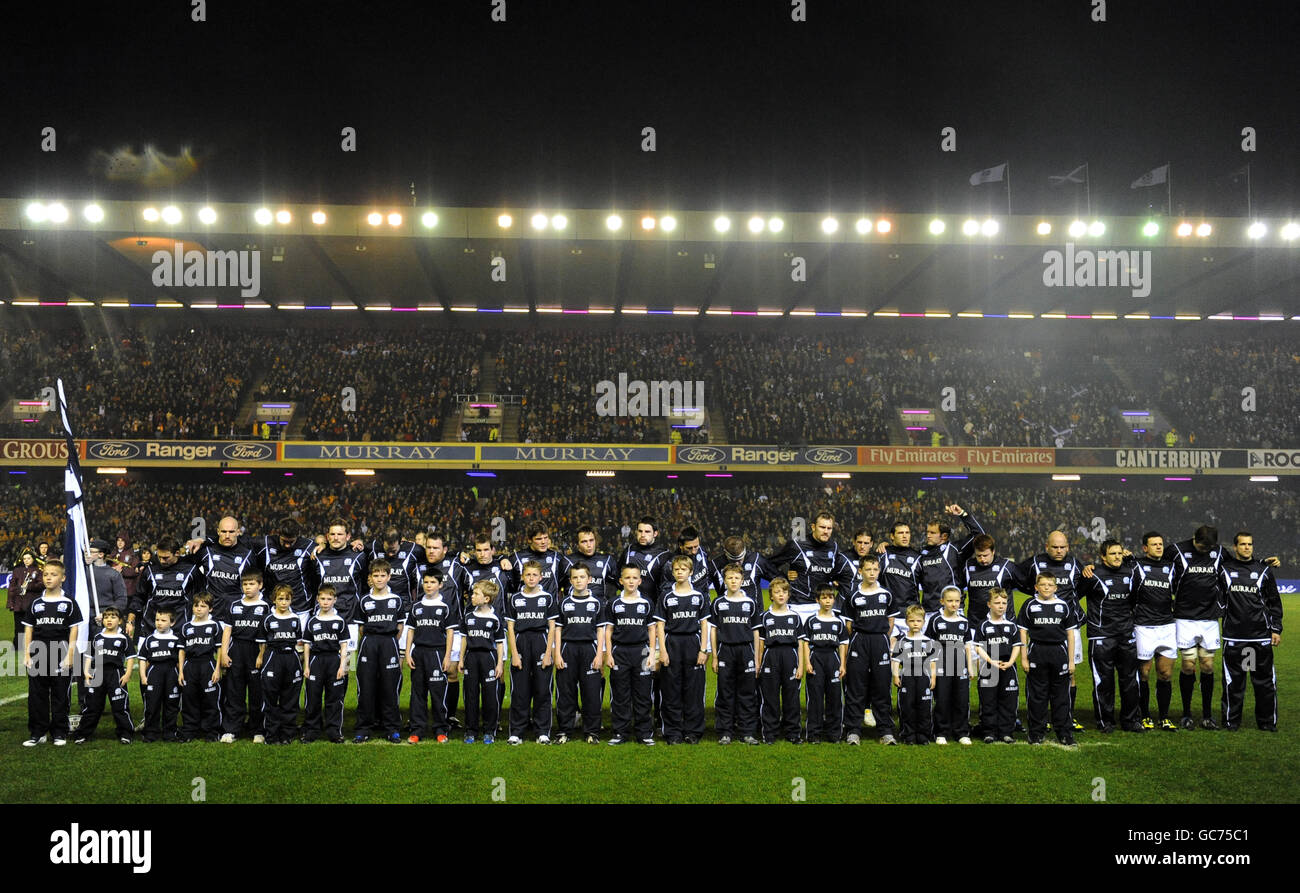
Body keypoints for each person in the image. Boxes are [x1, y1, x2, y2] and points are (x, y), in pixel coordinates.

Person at [1017, 531, 1085, 730]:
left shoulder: (1074, 564)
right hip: (1042, 628)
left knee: (1069, 674)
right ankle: (1042, 718)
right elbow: (1019, 577)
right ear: (1047, 547)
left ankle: (1067, 717)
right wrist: (1032, 592)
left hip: (1068, 627)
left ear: (1068, 547)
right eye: (1055, 547)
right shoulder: (1035, 562)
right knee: (1043, 676)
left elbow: (1084, 586)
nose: (1059, 550)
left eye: (1063, 547)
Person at [1078, 539, 1143, 733]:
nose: (1117, 557)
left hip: (1125, 634)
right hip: (1101, 636)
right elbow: (1075, 597)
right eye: (1112, 554)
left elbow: (1135, 599)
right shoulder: (1092, 575)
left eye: (1119, 553)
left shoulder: (1130, 573)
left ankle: (1130, 721)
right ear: (1102, 557)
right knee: (1104, 681)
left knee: (1130, 679)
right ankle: (1105, 721)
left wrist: (1132, 559)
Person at [1219, 532, 1282, 732]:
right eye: (1243, 544)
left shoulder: (1264, 570)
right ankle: (1231, 722)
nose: (1247, 547)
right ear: (1235, 547)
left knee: (1263, 683)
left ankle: (1266, 722)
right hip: (1234, 638)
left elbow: (1274, 602)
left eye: (1250, 544)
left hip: (1259, 638)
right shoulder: (1224, 570)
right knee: (1234, 683)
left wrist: (1276, 629)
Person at [22, 560, 83, 746]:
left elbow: (74, 630)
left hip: (61, 652)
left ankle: (59, 732)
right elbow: (29, 630)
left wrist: (70, 654)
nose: (48, 577)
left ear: (63, 578)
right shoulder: (36, 603)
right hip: (38, 653)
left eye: (53, 574)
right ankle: (38, 733)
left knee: (60, 695)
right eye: (46, 574)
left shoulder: (69, 603)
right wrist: (26, 654)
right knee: (37, 695)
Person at [1170, 525, 1226, 730]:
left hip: (1209, 619)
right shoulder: (1176, 550)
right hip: (1184, 618)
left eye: (1208, 548)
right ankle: (1186, 714)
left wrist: (1262, 562)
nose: (1204, 551)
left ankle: (1207, 715)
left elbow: (1237, 566)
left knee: (1208, 666)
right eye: (1201, 546)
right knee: (1188, 666)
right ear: (1194, 539)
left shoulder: (1219, 552)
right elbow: (1156, 564)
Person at [840, 555, 898, 745]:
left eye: (875, 569)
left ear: (879, 571)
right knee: (856, 687)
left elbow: (891, 621)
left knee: (881, 686)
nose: (872, 573)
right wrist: (862, 636)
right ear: (860, 571)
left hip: (880, 641)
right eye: (868, 570)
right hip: (859, 642)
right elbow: (849, 624)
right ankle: (853, 731)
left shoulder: (887, 594)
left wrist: (881, 637)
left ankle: (885, 731)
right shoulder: (853, 595)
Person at [1018, 573, 1078, 746]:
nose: (1046, 588)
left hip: (1059, 652)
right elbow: (1023, 632)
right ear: (1036, 587)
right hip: (1037, 651)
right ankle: (1036, 732)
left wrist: (1071, 660)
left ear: (1055, 588)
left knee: (1061, 696)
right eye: (1042, 585)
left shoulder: (1063, 605)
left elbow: (1070, 634)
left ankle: (1064, 733)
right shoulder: (1029, 604)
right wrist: (1024, 659)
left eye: (1050, 585)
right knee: (1037, 695)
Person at [656, 554, 710, 745]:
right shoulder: (666, 596)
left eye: (683, 569)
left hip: (693, 644)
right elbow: (660, 626)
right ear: (672, 572)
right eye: (676, 569)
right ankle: (672, 732)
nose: (680, 572)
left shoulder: (699, 596)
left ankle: (692, 732)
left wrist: (704, 650)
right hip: (672, 644)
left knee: (693, 690)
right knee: (671, 690)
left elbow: (705, 624)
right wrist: (661, 650)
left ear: (691, 572)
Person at [553, 563, 610, 744]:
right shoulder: (563, 603)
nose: (579, 581)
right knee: (566, 692)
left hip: (589, 650)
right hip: (568, 649)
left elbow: (601, 630)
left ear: (589, 579)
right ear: (570, 581)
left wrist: (600, 655)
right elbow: (558, 630)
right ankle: (564, 731)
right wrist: (557, 654)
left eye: (582, 577)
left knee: (591, 692)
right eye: (575, 578)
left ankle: (592, 732)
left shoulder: (597, 603)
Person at [504, 560, 559, 745]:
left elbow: (552, 628)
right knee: (519, 690)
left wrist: (549, 653)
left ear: (541, 577)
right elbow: (510, 628)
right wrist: (514, 653)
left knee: (542, 689)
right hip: (521, 642)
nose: (531, 578)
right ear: (522, 577)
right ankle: (516, 732)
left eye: (535, 575)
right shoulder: (515, 599)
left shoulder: (548, 598)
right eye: (528, 575)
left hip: (540, 642)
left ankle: (542, 731)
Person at [352, 560, 406, 743]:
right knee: (366, 687)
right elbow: (361, 629)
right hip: (369, 643)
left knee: (390, 687)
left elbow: (400, 626)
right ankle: (363, 728)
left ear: (389, 577)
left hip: (389, 643)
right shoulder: (364, 601)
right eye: (376, 575)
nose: (379, 579)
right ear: (371, 578)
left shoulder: (396, 600)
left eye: (383, 575)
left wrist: (388, 640)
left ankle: (391, 728)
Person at [606, 565, 659, 745]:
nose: (630, 581)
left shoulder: (647, 603)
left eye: (634, 578)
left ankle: (644, 733)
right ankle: (620, 732)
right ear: (621, 581)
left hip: (642, 651)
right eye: (627, 578)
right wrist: (608, 653)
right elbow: (608, 629)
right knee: (620, 695)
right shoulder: (614, 603)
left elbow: (652, 629)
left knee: (643, 694)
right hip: (619, 651)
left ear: (640, 580)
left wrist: (652, 653)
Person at [768, 511, 854, 620]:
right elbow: (769, 564)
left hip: (824, 606)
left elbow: (835, 571)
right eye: (822, 527)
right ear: (813, 527)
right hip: (799, 606)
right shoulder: (797, 545)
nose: (826, 531)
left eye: (829, 528)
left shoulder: (834, 546)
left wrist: (836, 580)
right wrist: (785, 577)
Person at [1131, 532, 1178, 730]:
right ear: (1144, 548)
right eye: (1154, 544)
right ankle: (1145, 715)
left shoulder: (1171, 567)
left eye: (1160, 544)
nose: (1159, 547)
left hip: (1167, 626)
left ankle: (1164, 717)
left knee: (1165, 673)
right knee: (1143, 672)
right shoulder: (1136, 566)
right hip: (1143, 626)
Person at [711, 564, 761, 745]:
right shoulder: (718, 602)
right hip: (726, 650)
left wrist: (756, 658)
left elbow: (756, 632)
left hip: (746, 650)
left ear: (742, 580)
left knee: (747, 692)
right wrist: (715, 656)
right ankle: (725, 731)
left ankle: (747, 731)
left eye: (737, 578)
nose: (733, 581)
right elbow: (713, 630)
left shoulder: (750, 603)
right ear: (725, 580)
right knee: (725, 692)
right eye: (730, 578)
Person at [405, 571, 457, 743]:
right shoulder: (416, 606)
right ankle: (417, 729)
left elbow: (450, 633)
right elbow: (411, 630)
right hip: (418, 653)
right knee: (418, 693)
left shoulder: (446, 606)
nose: (428, 585)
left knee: (437, 693)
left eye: (433, 582)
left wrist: (447, 656)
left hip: (437, 653)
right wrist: (407, 653)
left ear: (440, 585)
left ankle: (440, 729)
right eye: (426, 582)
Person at [220, 570, 271, 743]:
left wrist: (262, 654)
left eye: (251, 584)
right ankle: (232, 729)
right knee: (234, 691)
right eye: (245, 584)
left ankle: (257, 729)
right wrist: (224, 653)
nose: (247, 588)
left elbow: (267, 633)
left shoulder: (266, 606)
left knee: (257, 691)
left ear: (260, 585)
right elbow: (227, 630)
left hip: (255, 650)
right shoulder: (234, 605)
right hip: (237, 649)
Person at [75, 606, 135, 745]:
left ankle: (125, 733)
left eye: (113, 617)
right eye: (106, 617)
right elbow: (89, 655)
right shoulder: (98, 637)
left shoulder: (124, 638)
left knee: (120, 705)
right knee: (91, 705)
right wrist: (86, 671)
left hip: (116, 674)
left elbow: (131, 657)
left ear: (120, 621)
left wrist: (127, 674)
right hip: (98, 673)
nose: (109, 620)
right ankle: (83, 733)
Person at [755, 578, 803, 745]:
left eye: (784, 591)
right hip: (771, 656)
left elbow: (801, 644)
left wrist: (801, 666)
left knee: (792, 696)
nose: (781, 595)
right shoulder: (765, 617)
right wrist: (758, 664)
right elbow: (760, 644)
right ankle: (770, 732)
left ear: (788, 595)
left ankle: (793, 732)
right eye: (777, 592)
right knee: (770, 697)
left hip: (790, 656)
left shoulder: (795, 617)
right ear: (771, 596)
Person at [925, 586, 975, 745]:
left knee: (961, 699)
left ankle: (961, 732)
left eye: (957, 601)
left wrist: (971, 667)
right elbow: (929, 645)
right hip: (941, 666)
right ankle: (941, 732)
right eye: (950, 601)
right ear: (942, 601)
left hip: (960, 666)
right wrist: (931, 668)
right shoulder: (935, 620)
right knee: (942, 699)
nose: (954, 604)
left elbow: (968, 646)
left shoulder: (964, 622)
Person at [915, 505, 987, 614]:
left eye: (932, 533)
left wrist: (963, 514)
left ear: (944, 536)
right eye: (927, 532)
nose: (928, 536)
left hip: (953, 609)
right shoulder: (922, 553)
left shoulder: (955, 550)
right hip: (928, 611)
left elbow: (980, 535)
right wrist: (886, 546)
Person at [799, 586, 849, 744]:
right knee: (815, 698)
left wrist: (842, 664)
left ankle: (834, 733)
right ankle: (814, 733)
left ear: (834, 600)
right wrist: (807, 662)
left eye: (830, 598)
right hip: (816, 658)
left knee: (834, 697)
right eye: (824, 598)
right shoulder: (811, 621)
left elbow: (842, 644)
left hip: (832, 659)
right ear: (817, 600)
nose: (828, 601)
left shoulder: (838, 621)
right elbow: (805, 643)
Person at [459, 580, 505, 744]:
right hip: (471, 658)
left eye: (476, 594)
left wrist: (500, 663)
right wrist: (460, 658)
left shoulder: (495, 618)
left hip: (488, 658)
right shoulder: (468, 616)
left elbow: (500, 643)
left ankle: (489, 731)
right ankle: (470, 731)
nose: (472, 596)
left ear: (486, 599)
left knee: (489, 696)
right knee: (470, 695)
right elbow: (464, 638)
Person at [129, 536, 202, 640]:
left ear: (177, 553)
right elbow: (139, 597)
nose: (162, 561)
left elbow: (200, 597)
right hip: (150, 630)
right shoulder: (150, 569)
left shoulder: (190, 570)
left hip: (179, 631)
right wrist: (130, 621)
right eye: (159, 557)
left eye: (166, 557)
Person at [303, 585, 351, 743]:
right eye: (322, 599)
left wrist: (342, 666)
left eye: (329, 599)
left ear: (335, 600)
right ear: (317, 599)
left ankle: (334, 730)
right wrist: (307, 666)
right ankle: (312, 729)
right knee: (313, 697)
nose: (325, 602)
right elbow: (306, 645)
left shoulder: (340, 621)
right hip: (316, 661)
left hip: (334, 661)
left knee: (334, 698)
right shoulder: (312, 621)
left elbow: (344, 646)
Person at [972, 589, 1021, 744]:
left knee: (1008, 700)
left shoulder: (1011, 626)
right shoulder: (983, 625)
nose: (1001, 606)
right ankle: (989, 732)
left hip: (1008, 667)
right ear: (989, 604)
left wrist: (1011, 662)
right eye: (997, 603)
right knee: (988, 701)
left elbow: (1017, 645)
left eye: (1004, 603)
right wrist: (991, 661)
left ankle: (1006, 732)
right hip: (989, 668)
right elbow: (978, 647)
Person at [177, 591, 226, 742]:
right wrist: (180, 672)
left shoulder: (215, 625)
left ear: (210, 609)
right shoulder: (186, 627)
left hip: (208, 664)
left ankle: (212, 731)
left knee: (210, 699)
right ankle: (190, 730)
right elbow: (181, 651)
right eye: (196, 605)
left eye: (203, 606)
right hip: (190, 666)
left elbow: (219, 649)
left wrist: (217, 669)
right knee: (189, 699)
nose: (199, 609)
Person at [258, 585, 304, 745]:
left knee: (290, 698)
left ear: (291, 600)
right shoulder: (267, 619)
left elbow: (299, 642)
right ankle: (271, 734)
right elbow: (262, 642)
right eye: (280, 599)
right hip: (272, 657)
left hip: (291, 658)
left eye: (287, 599)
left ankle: (287, 734)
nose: (284, 602)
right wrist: (260, 657)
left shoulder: (295, 619)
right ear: (274, 600)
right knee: (271, 698)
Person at [890, 604, 938, 745]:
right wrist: (895, 676)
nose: (915, 624)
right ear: (906, 622)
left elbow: (933, 663)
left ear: (923, 622)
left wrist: (933, 677)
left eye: (918, 621)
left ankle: (923, 735)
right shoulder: (902, 642)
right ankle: (908, 735)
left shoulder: (929, 642)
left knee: (924, 707)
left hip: (923, 678)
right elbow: (895, 661)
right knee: (907, 706)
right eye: (911, 621)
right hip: (907, 677)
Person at [136, 607, 182, 743]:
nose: (159, 623)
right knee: (152, 704)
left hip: (171, 673)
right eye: (157, 620)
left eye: (163, 620)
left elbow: (181, 659)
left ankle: (170, 732)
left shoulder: (176, 639)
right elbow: (142, 659)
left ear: (172, 623)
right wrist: (143, 676)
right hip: (154, 672)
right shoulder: (150, 639)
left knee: (171, 704)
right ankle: (150, 732)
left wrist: (181, 674)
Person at [569, 526, 619, 603]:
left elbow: (619, 584)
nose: (589, 545)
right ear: (577, 544)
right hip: (574, 610)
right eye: (584, 541)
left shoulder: (607, 560)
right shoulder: (567, 561)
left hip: (600, 610)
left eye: (591, 540)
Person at [7, 548, 41, 652]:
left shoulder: (38, 570)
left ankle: (33, 646)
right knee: (18, 627)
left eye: (28, 558)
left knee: (33, 626)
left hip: (31, 603)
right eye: (24, 558)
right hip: (19, 603)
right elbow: (12, 587)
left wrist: (29, 587)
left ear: (33, 559)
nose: (26, 560)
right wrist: (10, 603)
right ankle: (18, 647)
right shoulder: (17, 570)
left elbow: (41, 585)